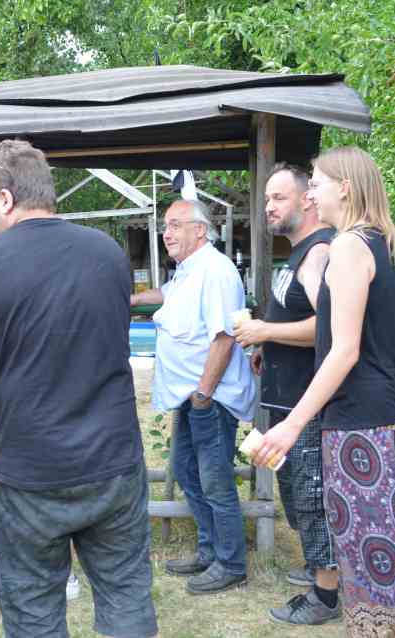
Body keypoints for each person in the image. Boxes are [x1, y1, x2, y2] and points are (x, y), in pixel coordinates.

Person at [0, 140, 158, 638]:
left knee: (33, 609)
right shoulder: (107, 252)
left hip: (28, 472)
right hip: (111, 461)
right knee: (126, 595)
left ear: (6, 199)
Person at [251, 146, 395, 638]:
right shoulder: (386, 241)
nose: (310, 194)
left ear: (344, 188)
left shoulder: (349, 246)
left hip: (361, 432)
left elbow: (343, 351)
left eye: (317, 184)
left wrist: (292, 425)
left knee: (368, 580)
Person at [131, 198, 256, 595]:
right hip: (193, 397)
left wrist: (203, 393)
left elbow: (224, 338)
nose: (166, 233)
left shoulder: (216, 271)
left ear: (200, 230)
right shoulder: (189, 270)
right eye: (165, 226)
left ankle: (231, 563)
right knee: (187, 471)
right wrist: (131, 299)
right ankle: (210, 550)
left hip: (209, 397)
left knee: (215, 480)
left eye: (175, 225)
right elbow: (166, 293)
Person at [235, 164, 340, 624]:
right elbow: (297, 318)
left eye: (278, 198)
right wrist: (269, 345)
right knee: (294, 491)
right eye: (267, 199)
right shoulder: (298, 253)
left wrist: (266, 330)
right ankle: (319, 567)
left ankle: (327, 595)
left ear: (307, 200)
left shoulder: (319, 252)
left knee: (312, 495)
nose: (269, 207)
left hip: (307, 402)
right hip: (283, 397)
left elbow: (330, 326)